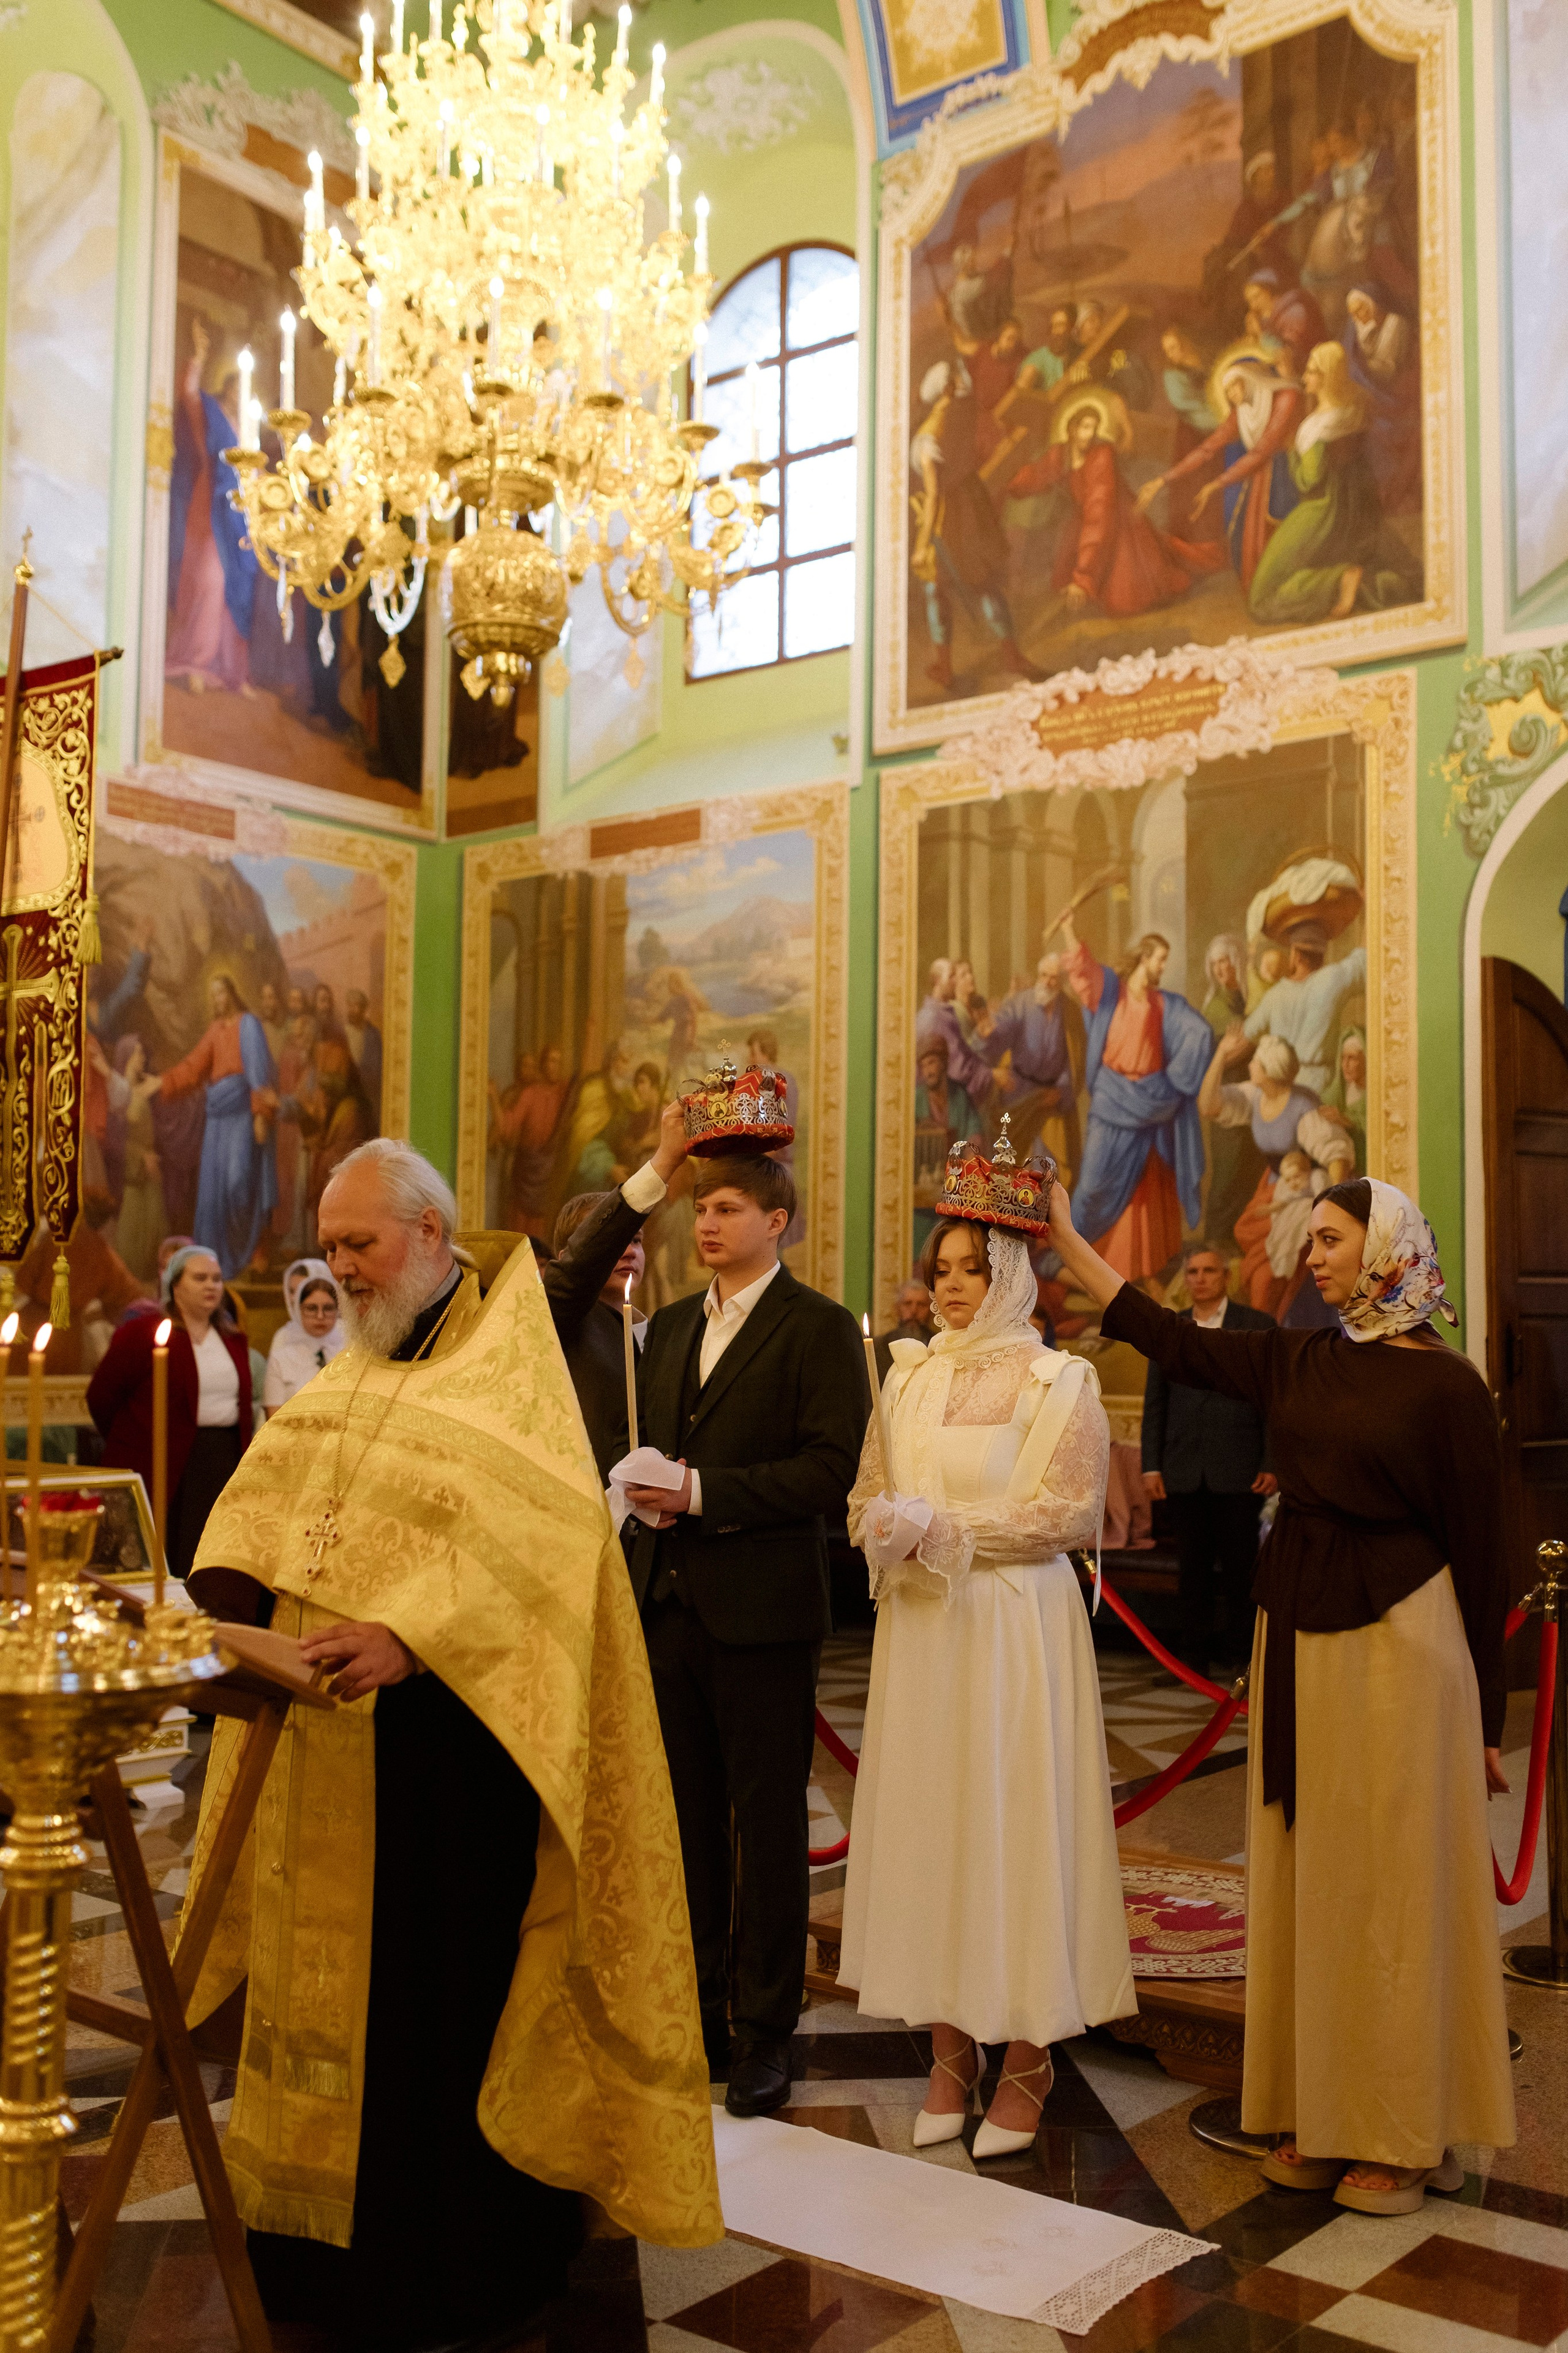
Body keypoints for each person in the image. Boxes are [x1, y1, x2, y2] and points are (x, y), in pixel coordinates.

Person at [182, 1138, 722, 2350]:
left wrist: (418, 1645)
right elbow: (267, 1504)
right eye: (327, 1248)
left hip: (447, 1774)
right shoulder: (349, 1372)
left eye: (359, 1244)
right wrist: (203, 1604)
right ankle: (311, 2266)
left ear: (431, 1235)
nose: (340, 1269)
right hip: (316, 1750)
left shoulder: (505, 1373)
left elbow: (547, 1558)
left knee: (432, 2027)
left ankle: (455, 2272)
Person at [1046, 1172, 1515, 2215]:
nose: (1315, 1257)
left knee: (1392, 1887)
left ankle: (1397, 2129)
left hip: (1402, 1642)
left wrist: (1483, 1719)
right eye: (1311, 1243)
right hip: (1298, 1632)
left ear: (1390, 1247)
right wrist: (1069, 1238)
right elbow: (1162, 1334)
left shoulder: (1447, 1386)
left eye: (1335, 1240)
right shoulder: (1299, 1356)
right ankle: (1319, 2105)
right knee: (1312, 1881)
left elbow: (1484, 1554)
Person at [841, 1214, 1134, 2158]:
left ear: (1013, 1274)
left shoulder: (1062, 1379)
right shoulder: (909, 1373)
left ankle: (1029, 2053)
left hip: (1015, 1627)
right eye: (942, 1269)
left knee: (1013, 1823)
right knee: (935, 1826)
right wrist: (885, 1528)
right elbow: (863, 1498)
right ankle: (948, 2047)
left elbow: (1066, 1510)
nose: (953, 1286)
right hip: (925, 1629)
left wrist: (942, 1530)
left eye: (975, 1268)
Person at [622, 1153, 867, 2118]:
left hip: (763, 1610)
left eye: (728, 1209)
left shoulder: (815, 1329)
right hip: (671, 1605)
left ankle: (768, 2031)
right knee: (684, 1824)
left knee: (766, 1829)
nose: (707, 1225)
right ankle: (700, 2009)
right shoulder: (670, 1327)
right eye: (700, 1209)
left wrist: (703, 1493)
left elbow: (829, 1470)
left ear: (780, 1221)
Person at [1140, 1239, 1276, 1675]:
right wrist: (1151, 1464)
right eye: (1193, 1272)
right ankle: (1191, 1658)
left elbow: (1274, 1401)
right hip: (1183, 1469)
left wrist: (1272, 1462)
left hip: (1239, 1469)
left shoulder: (1256, 1325)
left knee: (1241, 1572)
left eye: (1209, 1271)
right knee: (1191, 1572)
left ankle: (1241, 1657)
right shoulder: (1170, 1327)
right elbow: (1156, 1401)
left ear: (1226, 1276)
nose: (1199, 1279)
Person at [1055, 910, 1213, 1282]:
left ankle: (1136, 1272)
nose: (1163, 967)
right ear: (1145, 958)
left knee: (1144, 1189)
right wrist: (1068, 929)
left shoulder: (1165, 1005)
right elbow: (1084, 974)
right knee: (1093, 1186)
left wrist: (1190, 1066)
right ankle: (1073, 1259)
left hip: (1151, 1104)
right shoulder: (1111, 991)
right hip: (1112, 1101)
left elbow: (1198, 1032)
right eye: (1160, 960)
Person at [544, 1101, 691, 1481]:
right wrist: (662, 1162)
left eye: (637, 1241)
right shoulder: (559, 1317)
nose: (629, 1250)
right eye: (615, 1243)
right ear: (570, 1257)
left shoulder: (661, 1333)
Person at [87, 1245, 252, 1579]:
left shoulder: (232, 1339)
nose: (211, 1286)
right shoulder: (143, 1334)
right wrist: (133, 1438)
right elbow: (101, 1396)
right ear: (175, 1286)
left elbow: (242, 1406)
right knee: (165, 1553)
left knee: (207, 1554)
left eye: (217, 1279)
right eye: (200, 1278)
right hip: (162, 1458)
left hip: (220, 1458)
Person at [1246, 341, 1418, 626]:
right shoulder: (1354, 410)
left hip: (1322, 511)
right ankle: (1355, 581)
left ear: (1328, 378)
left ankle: (1341, 578)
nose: (1305, 378)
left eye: (1312, 373)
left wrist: (1291, 453)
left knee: (1262, 599)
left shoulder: (1318, 429)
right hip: (1359, 514)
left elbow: (1308, 482)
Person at [1007, 395, 1224, 619]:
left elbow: (1100, 514)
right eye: (1084, 427)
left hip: (1119, 523)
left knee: (1124, 596)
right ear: (1071, 429)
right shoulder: (1061, 453)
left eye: (1094, 428)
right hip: (1087, 521)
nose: (1090, 434)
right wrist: (1010, 485)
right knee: (1066, 576)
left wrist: (1084, 579)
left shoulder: (1102, 456)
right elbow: (1039, 474)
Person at [1137, 361, 1304, 592]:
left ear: (1249, 379)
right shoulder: (1241, 412)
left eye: (1234, 387)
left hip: (1294, 474)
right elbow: (1207, 449)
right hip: (1260, 476)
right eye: (1227, 392)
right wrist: (1163, 480)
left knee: (1285, 537)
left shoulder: (1286, 397)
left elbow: (1262, 451)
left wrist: (1216, 484)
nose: (1232, 395)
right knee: (1244, 549)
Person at [156, 974, 279, 1279]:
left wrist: (261, 1114)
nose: (217, 1000)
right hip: (217, 1118)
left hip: (241, 1113)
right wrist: (162, 1082)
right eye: (213, 995)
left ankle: (252, 1248)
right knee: (213, 1195)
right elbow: (194, 1066)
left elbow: (259, 1072)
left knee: (239, 1182)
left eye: (221, 993)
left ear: (232, 994)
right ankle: (215, 1265)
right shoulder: (214, 1030)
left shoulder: (247, 1024)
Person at [165, 317, 255, 697]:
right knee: (208, 579)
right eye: (237, 386)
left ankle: (234, 672)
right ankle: (194, 662)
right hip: (211, 501)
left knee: (238, 584)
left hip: (242, 508)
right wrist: (199, 357)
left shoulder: (247, 424)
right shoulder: (211, 411)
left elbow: (255, 468)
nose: (241, 393)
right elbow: (188, 392)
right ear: (229, 384)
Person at [973, 949, 1084, 1180]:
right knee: (1010, 1162)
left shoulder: (1071, 1011)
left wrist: (1061, 1091)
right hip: (1019, 1094)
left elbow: (1074, 1059)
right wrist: (988, 1033)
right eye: (1044, 975)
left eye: (1054, 978)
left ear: (1061, 981)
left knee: (1048, 1166)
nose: (1048, 982)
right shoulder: (1021, 1004)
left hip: (1051, 1097)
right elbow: (1003, 1027)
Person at [1244, 921, 1367, 1095]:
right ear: (1322, 955)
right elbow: (1365, 959)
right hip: (1321, 1085)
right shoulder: (1333, 978)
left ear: (1296, 956)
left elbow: (1248, 1032)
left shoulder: (1275, 995)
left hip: (1282, 1084)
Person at [112, 1036, 169, 1283]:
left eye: (143, 1052)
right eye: (136, 1053)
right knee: (131, 1233)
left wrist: (151, 1156)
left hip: (149, 1168)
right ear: (125, 1056)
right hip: (131, 1171)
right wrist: (141, 1156)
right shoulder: (120, 1093)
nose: (142, 1057)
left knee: (154, 1231)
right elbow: (114, 1138)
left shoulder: (144, 1090)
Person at [263, 1263, 345, 1414]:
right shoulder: (282, 1354)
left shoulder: (350, 1349)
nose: (320, 1316)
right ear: (299, 1309)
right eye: (312, 1308)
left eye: (328, 1308)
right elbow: (274, 1415)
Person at [1320, 1026, 1368, 1173]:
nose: (1345, 1065)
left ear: (1366, 1059)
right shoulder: (1338, 1092)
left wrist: (1347, 1122)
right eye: (1343, 1058)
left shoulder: (1375, 1095)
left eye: (1352, 1058)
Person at [872, 1277, 932, 1386]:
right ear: (897, 1308)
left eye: (921, 1305)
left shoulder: (938, 1346)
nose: (914, 1311)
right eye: (907, 1304)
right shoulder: (878, 1348)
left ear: (931, 1309)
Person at [343, 988, 383, 1128]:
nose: (353, 1010)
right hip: (348, 1094)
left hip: (369, 1094)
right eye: (350, 1005)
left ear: (364, 1009)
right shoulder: (342, 1034)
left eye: (357, 1006)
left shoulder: (373, 1035)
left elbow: (377, 1067)